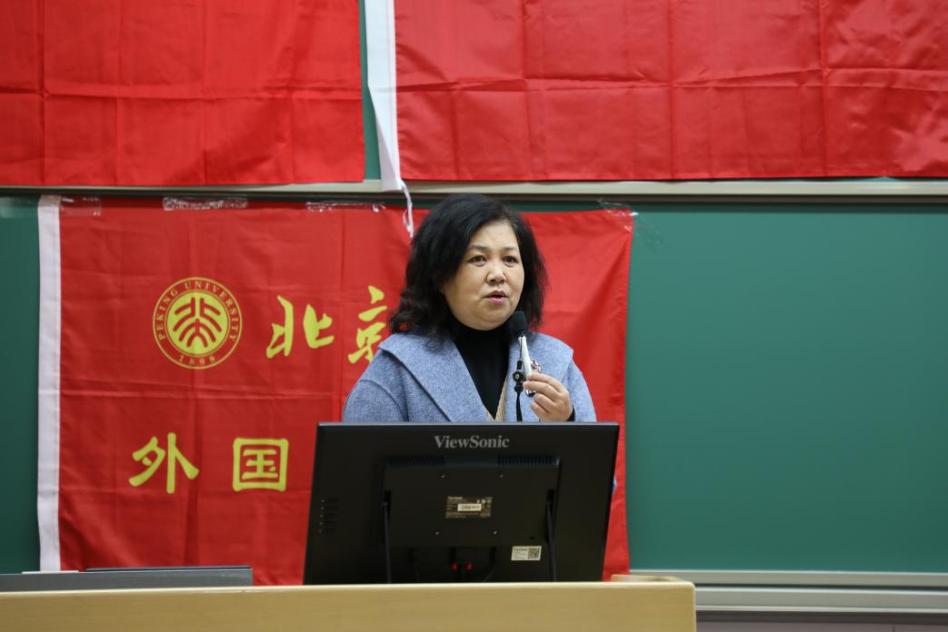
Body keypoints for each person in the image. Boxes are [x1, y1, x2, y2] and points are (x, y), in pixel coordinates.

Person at [342, 194, 595, 423]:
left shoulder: (557, 363)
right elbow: (359, 458)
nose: (498, 275)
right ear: (440, 276)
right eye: (478, 259)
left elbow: (594, 460)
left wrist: (567, 423)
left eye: (510, 260)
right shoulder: (397, 366)